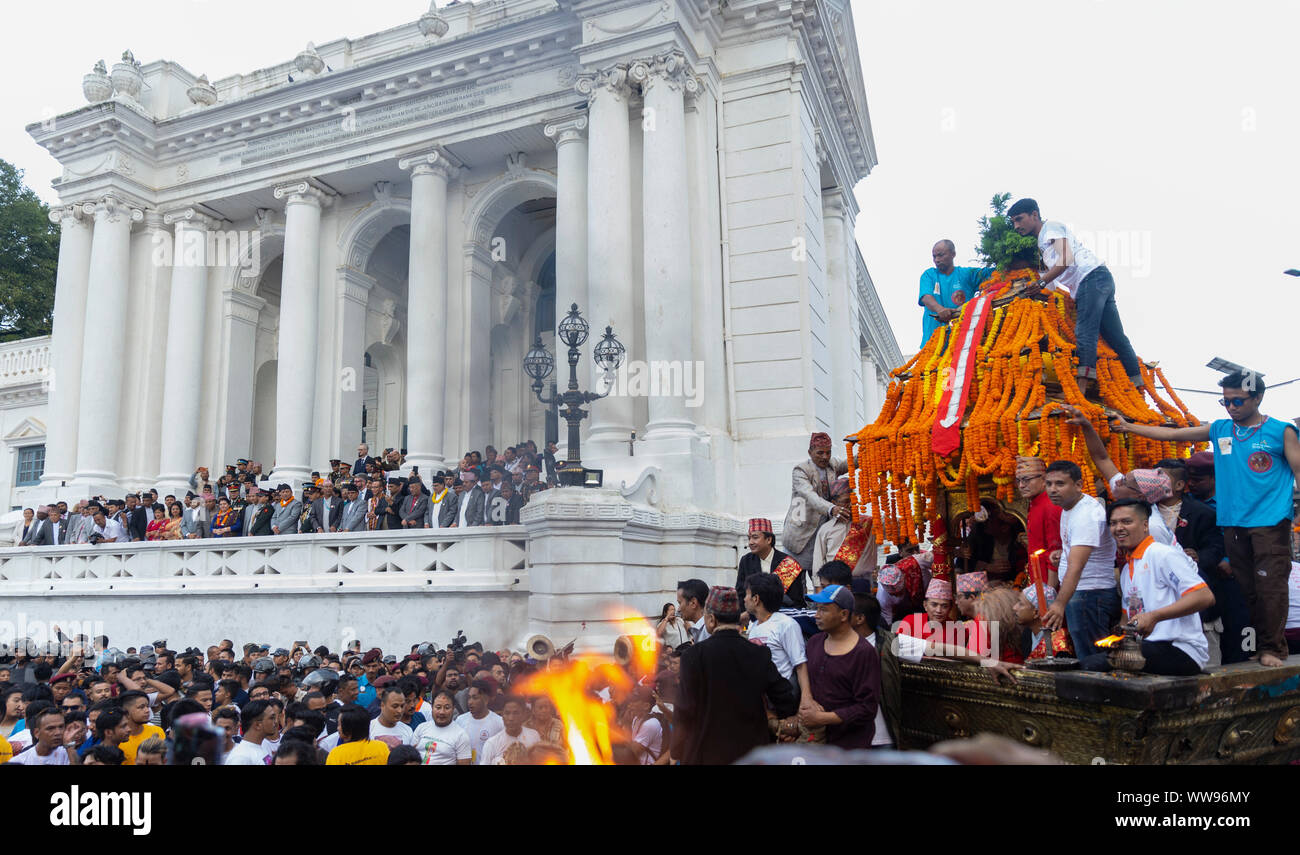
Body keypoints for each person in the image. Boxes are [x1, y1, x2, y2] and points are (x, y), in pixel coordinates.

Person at [1115, 370, 1300, 666]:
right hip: (1233, 521)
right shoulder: (1221, 429)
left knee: (1270, 586)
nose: (1232, 407)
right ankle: (1257, 646)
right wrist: (1129, 427)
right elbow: (1174, 434)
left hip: (1270, 521)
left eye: (1238, 400)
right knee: (1247, 588)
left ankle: (1273, 649)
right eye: (1225, 402)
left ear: (1258, 397)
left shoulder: (1282, 431)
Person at [1009, 197, 1144, 397]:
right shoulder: (1042, 242)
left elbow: (1066, 259)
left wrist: (1041, 282)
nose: (1016, 226)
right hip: (1098, 279)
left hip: (1091, 277)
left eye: (1019, 219)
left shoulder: (1050, 227)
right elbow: (1054, 281)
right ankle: (1137, 387)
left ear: (1034, 215)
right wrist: (1040, 288)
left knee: (1085, 330)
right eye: (1013, 222)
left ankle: (1080, 389)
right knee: (1116, 336)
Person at [1080, 500, 1215, 676]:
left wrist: (1154, 617)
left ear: (1145, 525)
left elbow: (1204, 596)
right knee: (1087, 663)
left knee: (1092, 666)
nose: (1118, 528)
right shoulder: (1128, 568)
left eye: (1126, 522)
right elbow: (1126, 619)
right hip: (1145, 648)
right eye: (1113, 523)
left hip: (1180, 649)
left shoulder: (1162, 554)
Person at [671, 586, 797, 765]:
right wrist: (787, 724)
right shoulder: (758, 654)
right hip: (751, 754)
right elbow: (784, 695)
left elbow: (684, 709)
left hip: (705, 754)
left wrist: (676, 750)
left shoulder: (693, 656)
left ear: (712, 619)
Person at [1043, 460, 1118, 657]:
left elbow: (1077, 567)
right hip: (1083, 594)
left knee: (1093, 660)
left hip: (1089, 594)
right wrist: (1063, 555)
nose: (1052, 489)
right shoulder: (1071, 508)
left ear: (1078, 485)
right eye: (1048, 484)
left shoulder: (1086, 515)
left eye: (1060, 484)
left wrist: (1059, 603)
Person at [800, 585, 881, 748]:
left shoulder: (863, 652)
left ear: (844, 614)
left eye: (823, 610)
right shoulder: (815, 642)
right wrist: (806, 697)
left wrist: (822, 718)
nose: (816, 615)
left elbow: (867, 708)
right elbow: (806, 676)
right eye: (817, 609)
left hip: (850, 746)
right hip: (817, 741)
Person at [852, 591, 924, 749]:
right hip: (846, 737)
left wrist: (982, 660)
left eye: (846, 611)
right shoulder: (827, 642)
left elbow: (937, 649)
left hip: (880, 737)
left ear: (860, 618)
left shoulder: (888, 642)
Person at [781, 432, 849, 577]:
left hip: (820, 536)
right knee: (787, 583)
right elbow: (810, 496)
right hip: (798, 536)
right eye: (820, 453)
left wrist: (865, 449)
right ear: (810, 452)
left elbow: (849, 463)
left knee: (821, 581)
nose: (825, 457)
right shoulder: (800, 470)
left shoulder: (832, 465)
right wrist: (831, 509)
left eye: (828, 452)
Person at [743, 573, 810, 712]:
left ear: (756, 599)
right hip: (762, 698)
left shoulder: (786, 625)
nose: (744, 599)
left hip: (783, 697)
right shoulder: (753, 626)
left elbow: (800, 664)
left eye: (747, 595)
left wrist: (806, 697)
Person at [917, 239, 993, 346]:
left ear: (953, 254)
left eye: (940, 255)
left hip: (964, 343)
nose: (937, 260)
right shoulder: (929, 275)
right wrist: (940, 310)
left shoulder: (966, 274)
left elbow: (995, 273)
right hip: (933, 344)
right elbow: (925, 297)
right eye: (934, 256)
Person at [811, 475, 878, 583]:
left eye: (853, 500)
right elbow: (818, 562)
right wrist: (818, 587)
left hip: (865, 583)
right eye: (846, 501)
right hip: (836, 584)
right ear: (834, 503)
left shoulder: (869, 523)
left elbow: (895, 527)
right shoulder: (825, 529)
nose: (851, 505)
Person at [736, 517, 807, 613]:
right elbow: (741, 594)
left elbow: (796, 601)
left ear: (769, 539)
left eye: (755, 537)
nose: (750, 542)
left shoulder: (788, 564)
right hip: (752, 617)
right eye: (749, 538)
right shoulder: (746, 561)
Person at [1017, 456, 1062, 577]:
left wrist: (1050, 591)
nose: (1021, 485)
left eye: (1026, 480)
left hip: (1049, 586)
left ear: (1044, 479)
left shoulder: (1051, 505)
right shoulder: (1035, 504)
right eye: (1018, 481)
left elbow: (1055, 553)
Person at [411, 690, 472, 765]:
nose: (442, 712)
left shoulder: (461, 735)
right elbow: (410, 756)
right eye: (438, 707)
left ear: (453, 709)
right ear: (432, 707)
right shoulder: (421, 727)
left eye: (447, 708)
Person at [478, 696, 540, 765]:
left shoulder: (534, 736)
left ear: (523, 715)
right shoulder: (492, 744)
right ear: (502, 715)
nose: (511, 718)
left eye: (515, 713)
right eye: (507, 713)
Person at [453, 680, 504, 764]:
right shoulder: (460, 720)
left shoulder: (499, 723)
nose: (470, 702)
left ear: (486, 699)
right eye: (469, 698)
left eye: (475, 698)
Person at [8, 707, 73, 765]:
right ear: (37, 733)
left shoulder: (68, 754)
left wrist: (69, 746)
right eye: (50, 728)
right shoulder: (20, 761)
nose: (58, 732)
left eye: (61, 727)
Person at [116, 691, 166, 765]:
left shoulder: (157, 731)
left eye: (147, 706)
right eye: (141, 707)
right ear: (126, 712)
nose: (147, 710)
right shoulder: (118, 738)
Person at [676, 579, 712, 644]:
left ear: (693, 603)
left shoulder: (708, 632)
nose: (678, 609)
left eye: (680, 603)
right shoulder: (701, 630)